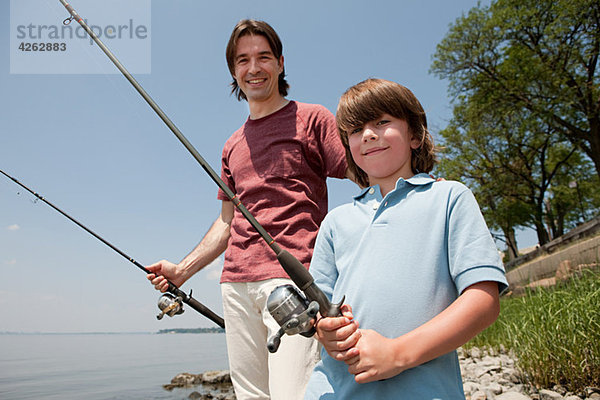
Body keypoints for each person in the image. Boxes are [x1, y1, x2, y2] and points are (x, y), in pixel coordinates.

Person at [146, 19, 348, 400]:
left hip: (294, 282)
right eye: (243, 60)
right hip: (235, 285)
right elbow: (227, 223)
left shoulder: (313, 118)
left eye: (263, 57)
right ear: (233, 71)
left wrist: (417, 186)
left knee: (294, 394)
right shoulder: (231, 145)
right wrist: (182, 270)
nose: (253, 68)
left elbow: (364, 174)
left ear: (281, 63)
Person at [303, 78, 508, 400]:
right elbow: (319, 309)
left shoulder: (449, 197)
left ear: (415, 135)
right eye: (355, 130)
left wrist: (397, 354)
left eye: (382, 122)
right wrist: (325, 331)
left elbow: (483, 300)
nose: (368, 134)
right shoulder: (334, 222)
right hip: (331, 391)